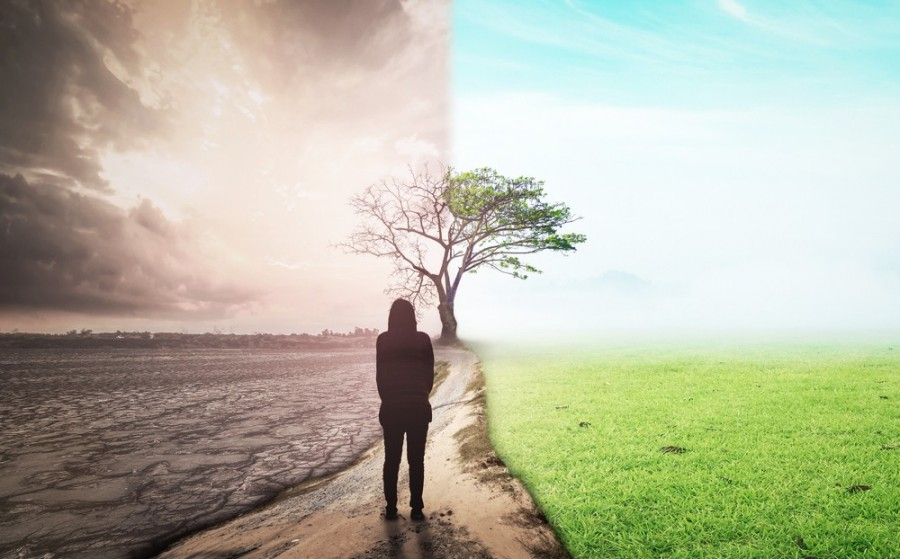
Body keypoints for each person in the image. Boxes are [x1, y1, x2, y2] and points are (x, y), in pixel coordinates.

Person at [376, 298, 435, 521]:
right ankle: (417, 509)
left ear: (391, 317)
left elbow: (380, 377)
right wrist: (420, 396)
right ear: (413, 317)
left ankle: (391, 509)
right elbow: (429, 375)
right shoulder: (423, 340)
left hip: (392, 408)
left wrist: (389, 400)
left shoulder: (383, 340)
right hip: (419, 408)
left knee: (391, 460)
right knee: (416, 460)